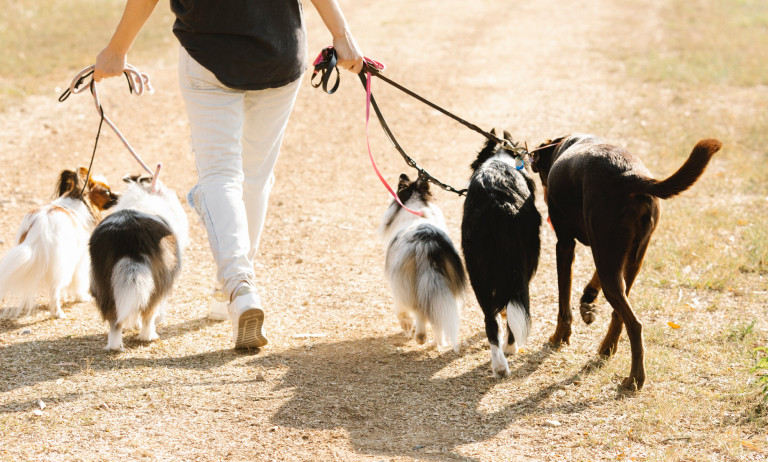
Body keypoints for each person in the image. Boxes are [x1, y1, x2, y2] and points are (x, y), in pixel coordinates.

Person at [94, 0, 364, 349]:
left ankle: (239, 286)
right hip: (278, 51)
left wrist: (117, 49)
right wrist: (341, 34)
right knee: (255, 177)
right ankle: (233, 289)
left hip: (208, 52)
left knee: (220, 177)